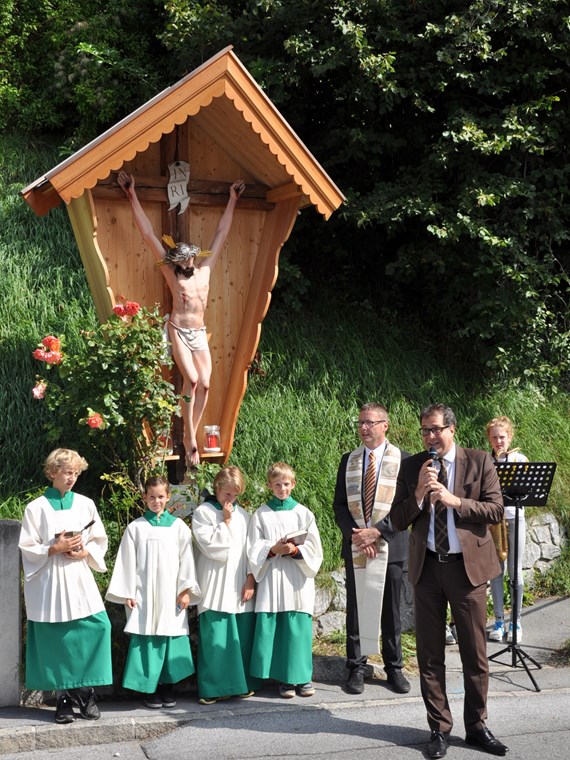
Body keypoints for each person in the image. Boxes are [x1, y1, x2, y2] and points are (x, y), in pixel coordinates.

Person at [391, 404, 508, 758]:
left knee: (475, 655)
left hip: (466, 571)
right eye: (424, 430)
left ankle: (476, 727)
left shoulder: (478, 461)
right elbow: (397, 518)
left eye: (436, 429)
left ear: (452, 429)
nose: (430, 437)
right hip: (427, 569)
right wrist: (418, 497)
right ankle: (439, 729)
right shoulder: (413, 466)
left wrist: (456, 501)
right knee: (430, 656)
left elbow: (495, 510)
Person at [118, 170, 245, 466]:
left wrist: (232, 200)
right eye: (181, 260)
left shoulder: (205, 270)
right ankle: (189, 437)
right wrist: (132, 194)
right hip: (178, 330)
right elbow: (149, 234)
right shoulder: (172, 274)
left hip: (199, 332)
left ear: (194, 258)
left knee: (206, 384)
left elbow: (222, 234)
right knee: (191, 379)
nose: (186, 263)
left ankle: (191, 434)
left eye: (188, 259)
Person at [18, 448, 112, 724]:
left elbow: (98, 539)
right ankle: (62, 699)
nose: (72, 478)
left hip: (78, 576)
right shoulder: (36, 508)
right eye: (67, 472)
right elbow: (26, 546)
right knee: (55, 639)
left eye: (75, 473)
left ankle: (85, 691)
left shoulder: (85, 504)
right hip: (49, 579)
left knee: (98, 627)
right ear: (52, 473)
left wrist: (85, 553)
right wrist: (53, 547)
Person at [332, 402, 411, 695]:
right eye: (361, 423)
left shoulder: (404, 460)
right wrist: (357, 536)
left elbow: (407, 508)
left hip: (391, 547)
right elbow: (340, 505)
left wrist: (377, 533)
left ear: (385, 425)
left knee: (391, 610)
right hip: (357, 546)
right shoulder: (349, 460)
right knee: (356, 608)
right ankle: (356, 667)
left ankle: (394, 667)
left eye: (370, 422)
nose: (364, 428)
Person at [106, 475, 201, 708]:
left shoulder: (179, 527)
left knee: (170, 636)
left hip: (172, 593)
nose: (156, 501)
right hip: (144, 593)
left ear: (168, 497)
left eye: (161, 497)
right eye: (152, 497)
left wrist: (186, 590)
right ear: (144, 498)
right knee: (147, 636)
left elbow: (187, 560)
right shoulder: (136, 528)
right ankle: (149, 690)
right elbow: (127, 562)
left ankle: (168, 687)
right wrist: (127, 592)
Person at [248, 462, 323, 698]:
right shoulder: (261, 514)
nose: (282, 489)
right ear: (269, 486)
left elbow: (314, 547)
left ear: (294, 484)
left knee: (297, 629)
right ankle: (284, 681)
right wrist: (272, 549)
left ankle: (302, 678)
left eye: (286, 484)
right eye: (277, 484)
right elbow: (253, 546)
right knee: (278, 628)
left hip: (296, 577)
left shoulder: (303, 513)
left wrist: (294, 551)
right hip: (272, 575)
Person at [192, 465, 261, 704]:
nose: (230, 499)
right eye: (226, 494)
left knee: (240, 635)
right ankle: (214, 688)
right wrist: (225, 522)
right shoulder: (204, 512)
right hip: (214, 579)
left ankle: (240, 684)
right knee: (216, 636)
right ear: (217, 488)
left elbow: (252, 549)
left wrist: (250, 578)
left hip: (239, 579)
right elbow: (209, 546)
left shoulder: (245, 515)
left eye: (235, 494)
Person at [486, 416, 529, 644]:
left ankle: (516, 621)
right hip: (495, 521)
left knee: (515, 571)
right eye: (494, 437)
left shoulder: (519, 459)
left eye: (502, 436)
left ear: (510, 437)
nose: (498, 441)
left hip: (515, 519)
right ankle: (499, 620)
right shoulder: (486, 461)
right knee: (495, 571)